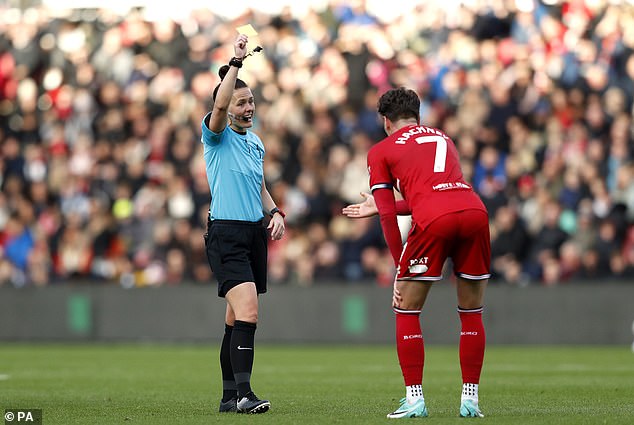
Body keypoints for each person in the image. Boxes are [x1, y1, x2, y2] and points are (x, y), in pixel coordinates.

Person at [342, 87, 490, 419]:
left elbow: (387, 217)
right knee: (471, 312)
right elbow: (437, 191)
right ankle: (470, 399)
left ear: (385, 121)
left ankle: (415, 399)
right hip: (474, 212)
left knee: (406, 310)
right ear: (418, 116)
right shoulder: (444, 138)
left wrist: (400, 267)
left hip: (436, 220)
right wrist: (389, 205)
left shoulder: (381, 151)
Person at [201, 34, 285, 414]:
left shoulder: (255, 142)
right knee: (249, 312)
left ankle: (227, 396)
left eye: (251, 100)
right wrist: (235, 63)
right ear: (227, 107)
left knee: (235, 320)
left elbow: (260, 187)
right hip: (227, 234)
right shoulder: (215, 136)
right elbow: (218, 103)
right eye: (241, 102)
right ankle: (246, 394)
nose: (248, 107)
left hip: (253, 234)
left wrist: (275, 212)